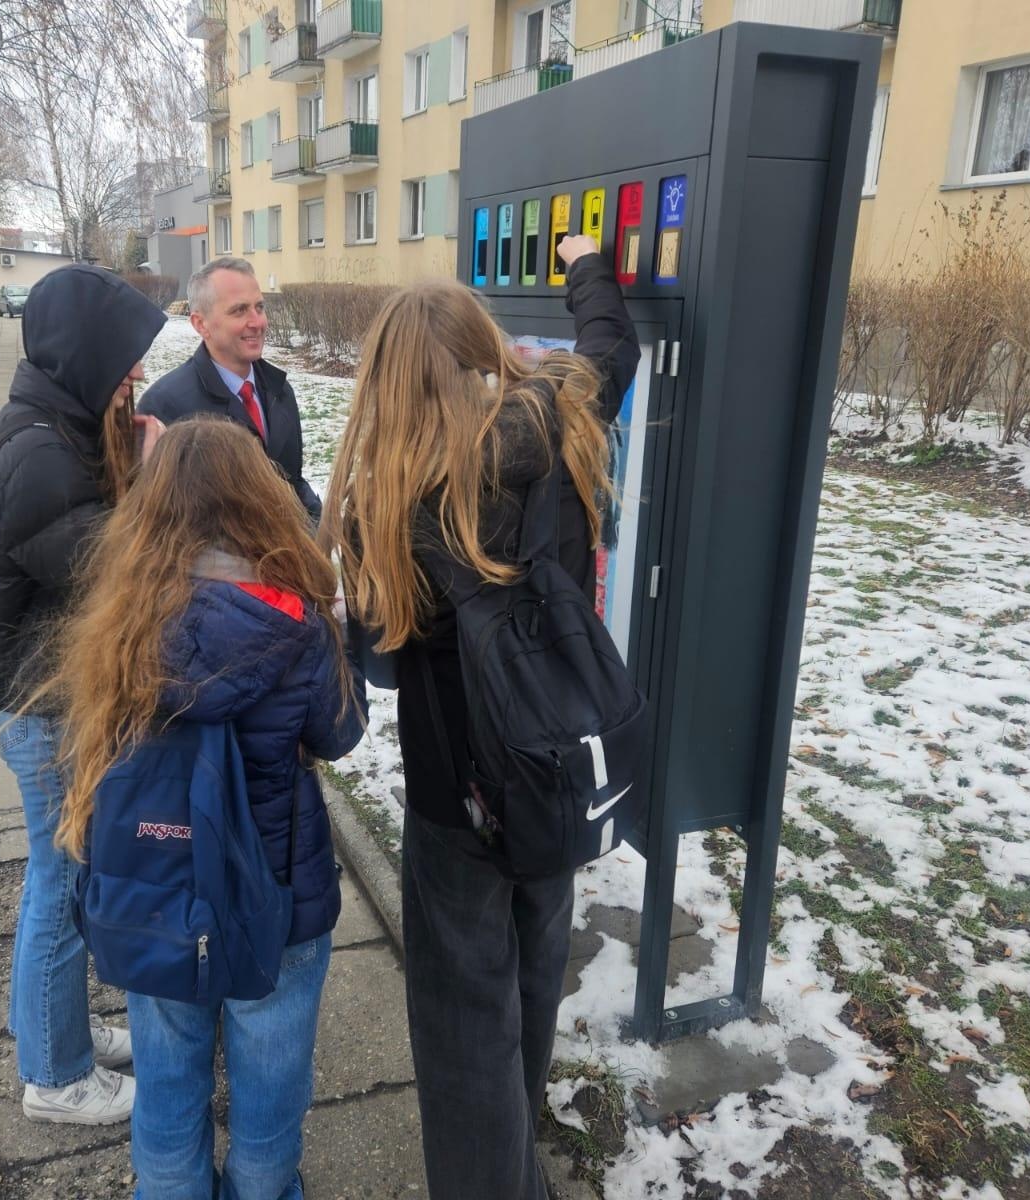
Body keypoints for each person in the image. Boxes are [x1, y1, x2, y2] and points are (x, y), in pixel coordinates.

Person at [318, 236, 639, 1199]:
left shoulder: (396, 496)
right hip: (557, 768)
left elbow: (378, 659)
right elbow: (610, 347)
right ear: (485, 345)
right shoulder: (564, 420)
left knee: (465, 1029)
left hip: (456, 799)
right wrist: (587, 264)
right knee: (534, 989)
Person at [36, 416, 365, 1199]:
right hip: (278, 894)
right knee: (272, 1084)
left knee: (168, 1069)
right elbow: (340, 734)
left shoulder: (122, 620)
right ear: (260, 497)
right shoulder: (297, 619)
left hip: (155, 889)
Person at [0, 263, 166, 1124]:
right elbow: (115, 575)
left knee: (66, 880)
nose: (133, 377)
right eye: (122, 359)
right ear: (82, 353)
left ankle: (60, 1029)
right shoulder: (41, 454)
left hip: (50, 697)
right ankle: (54, 1077)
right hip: (46, 709)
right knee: (61, 883)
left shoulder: (53, 427)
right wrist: (157, 479)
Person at [138, 257, 322, 521]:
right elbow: (161, 523)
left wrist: (320, 532)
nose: (257, 322)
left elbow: (293, 483)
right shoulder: (164, 407)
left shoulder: (279, 390)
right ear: (200, 324)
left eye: (260, 307)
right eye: (239, 311)